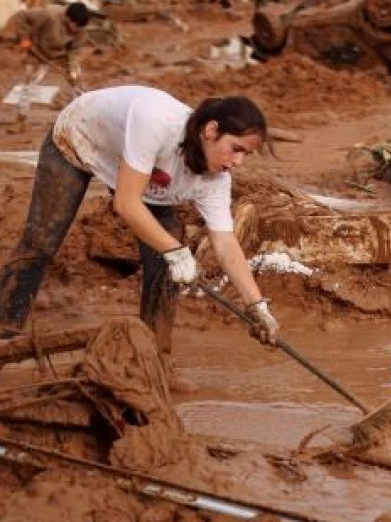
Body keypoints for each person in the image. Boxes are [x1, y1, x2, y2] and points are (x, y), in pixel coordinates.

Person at [0, 87, 281, 362]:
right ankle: (5, 331)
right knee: (41, 240)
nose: (238, 162)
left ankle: (154, 357)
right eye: (236, 149)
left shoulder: (216, 180)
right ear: (211, 130)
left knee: (165, 260)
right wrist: (176, 251)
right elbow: (125, 203)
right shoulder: (156, 122)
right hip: (79, 138)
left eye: (246, 155)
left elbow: (225, 242)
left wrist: (256, 306)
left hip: (139, 170)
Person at [8, 2, 97, 86]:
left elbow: (75, 51)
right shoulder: (49, 14)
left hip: (56, 56)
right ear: (67, 18)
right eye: (75, 25)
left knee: (64, 80)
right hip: (36, 50)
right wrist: (25, 38)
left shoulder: (81, 29)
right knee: (28, 79)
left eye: (80, 27)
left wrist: (72, 70)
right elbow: (22, 15)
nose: (77, 29)